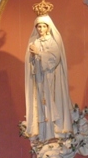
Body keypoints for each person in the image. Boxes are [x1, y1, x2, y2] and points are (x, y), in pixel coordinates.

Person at [24, 10, 73, 142]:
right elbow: (30, 64)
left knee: (51, 101)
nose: (41, 29)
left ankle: (55, 131)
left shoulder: (52, 41)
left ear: (48, 27)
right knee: (40, 103)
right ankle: (44, 133)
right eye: (39, 26)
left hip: (51, 77)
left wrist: (39, 53)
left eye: (43, 26)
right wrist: (33, 57)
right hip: (39, 78)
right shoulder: (34, 42)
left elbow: (54, 58)